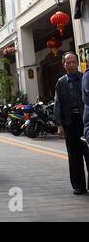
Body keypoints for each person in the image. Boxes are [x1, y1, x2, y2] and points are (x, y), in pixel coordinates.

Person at [54, 52, 89, 195]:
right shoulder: (60, 82)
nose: (72, 64)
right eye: (68, 62)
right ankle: (78, 185)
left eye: (74, 61)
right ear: (64, 65)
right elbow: (58, 104)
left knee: (88, 153)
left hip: (85, 120)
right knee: (74, 155)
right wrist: (59, 125)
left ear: (77, 63)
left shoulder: (84, 78)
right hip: (70, 122)